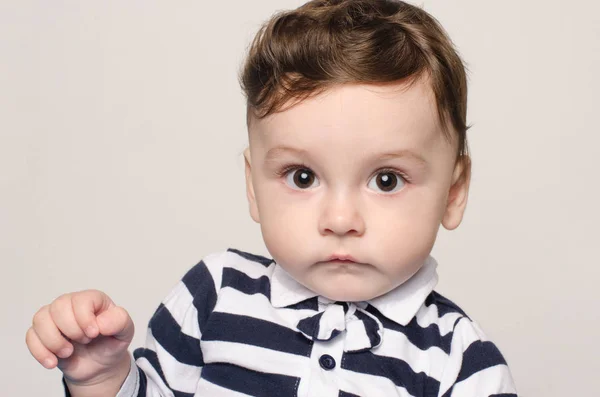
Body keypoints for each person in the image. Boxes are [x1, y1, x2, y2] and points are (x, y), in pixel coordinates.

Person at [26, 0, 518, 396]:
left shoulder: (461, 365)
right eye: (302, 176)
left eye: (386, 180)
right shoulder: (213, 298)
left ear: (453, 193)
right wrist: (101, 381)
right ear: (253, 187)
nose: (340, 218)